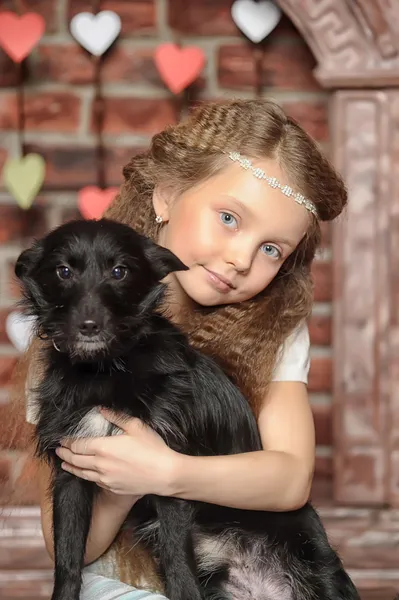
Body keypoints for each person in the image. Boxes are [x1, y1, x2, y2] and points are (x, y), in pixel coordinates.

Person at [15, 99, 347, 599]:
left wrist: (170, 471)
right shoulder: (73, 340)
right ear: (166, 195)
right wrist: (126, 477)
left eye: (272, 249)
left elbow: (289, 480)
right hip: (126, 576)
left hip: (254, 562)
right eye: (230, 218)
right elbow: (71, 546)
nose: (240, 258)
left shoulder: (277, 329)